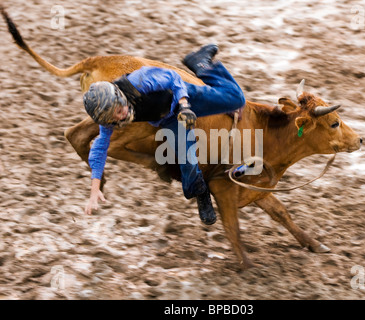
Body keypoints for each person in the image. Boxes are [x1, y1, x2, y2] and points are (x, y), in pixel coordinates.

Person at [82, 44, 245, 225]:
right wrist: (94, 189)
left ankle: (202, 63)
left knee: (237, 98)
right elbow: (99, 148)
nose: (122, 116)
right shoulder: (108, 119)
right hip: (167, 119)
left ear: (119, 98)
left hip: (183, 97)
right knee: (188, 162)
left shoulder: (139, 80)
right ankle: (200, 191)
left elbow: (172, 78)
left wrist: (184, 106)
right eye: (115, 118)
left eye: (120, 110)